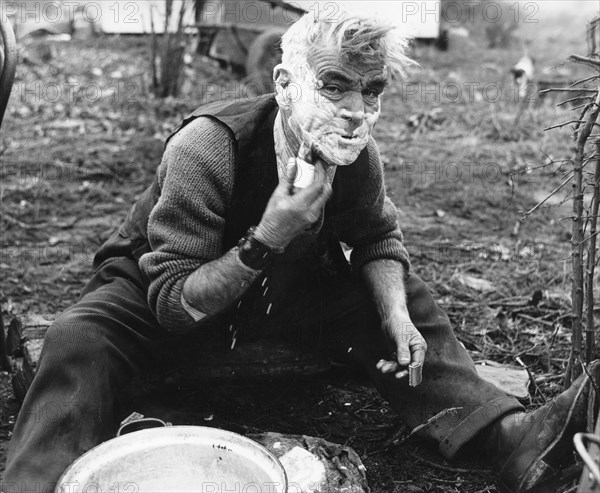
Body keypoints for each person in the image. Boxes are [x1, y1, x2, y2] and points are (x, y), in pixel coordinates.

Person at [3, 10, 597, 493]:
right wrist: (269, 236)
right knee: (77, 338)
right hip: (161, 290)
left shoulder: (355, 153)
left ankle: (513, 441)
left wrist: (392, 314)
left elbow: (376, 238)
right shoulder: (207, 148)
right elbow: (172, 304)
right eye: (334, 84)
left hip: (280, 295)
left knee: (402, 297)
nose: (356, 111)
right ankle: (40, 482)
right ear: (285, 85)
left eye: (372, 91)